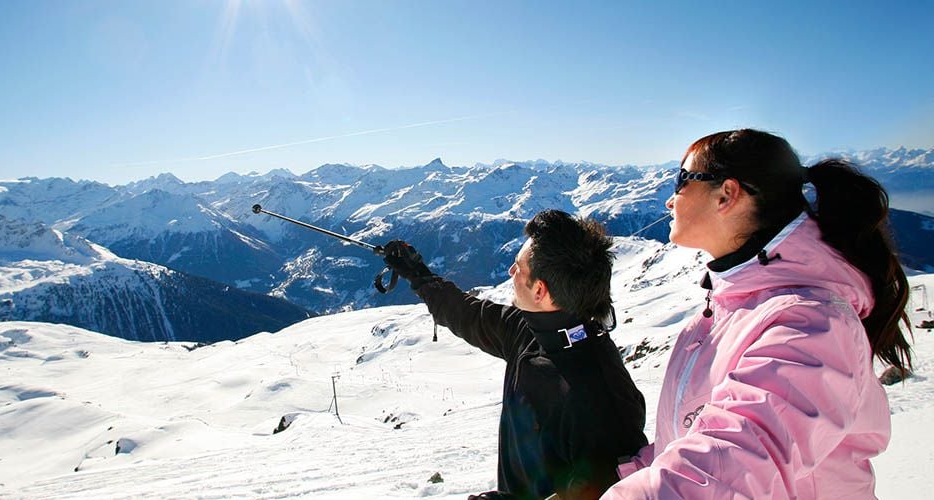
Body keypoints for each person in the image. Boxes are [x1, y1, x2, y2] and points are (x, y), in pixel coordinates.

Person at [605, 129, 913, 498]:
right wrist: (613, 479)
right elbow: (695, 439)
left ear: (727, 194)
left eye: (681, 181)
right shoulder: (723, 314)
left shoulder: (811, 324)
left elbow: (731, 464)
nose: (670, 202)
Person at [382, 209, 647, 500]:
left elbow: (610, 493)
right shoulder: (533, 329)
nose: (511, 272)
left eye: (518, 268)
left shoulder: (600, 399)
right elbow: (469, 315)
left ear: (540, 291)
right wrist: (420, 275)